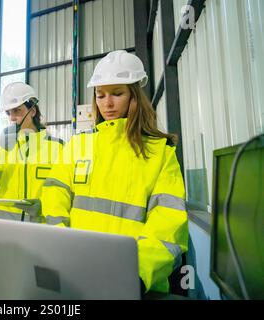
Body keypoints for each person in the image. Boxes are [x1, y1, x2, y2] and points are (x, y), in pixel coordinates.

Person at [41, 50, 189, 294]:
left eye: (117, 94)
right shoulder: (79, 144)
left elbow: (168, 222)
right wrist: (60, 244)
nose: (106, 103)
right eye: (100, 95)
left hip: (134, 283)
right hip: (77, 271)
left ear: (135, 97)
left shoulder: (160, 152)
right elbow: (55, 196)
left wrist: (135, 274)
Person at [0, 82, 63, 222]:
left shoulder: (57, 147)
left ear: (33, 111)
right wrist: (1, 150)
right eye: (8, 113)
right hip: (2, 231)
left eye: (17, 111)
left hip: (37, 231)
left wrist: (44, 205)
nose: (11, 118)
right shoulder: (2, 148)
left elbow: (61, 193)